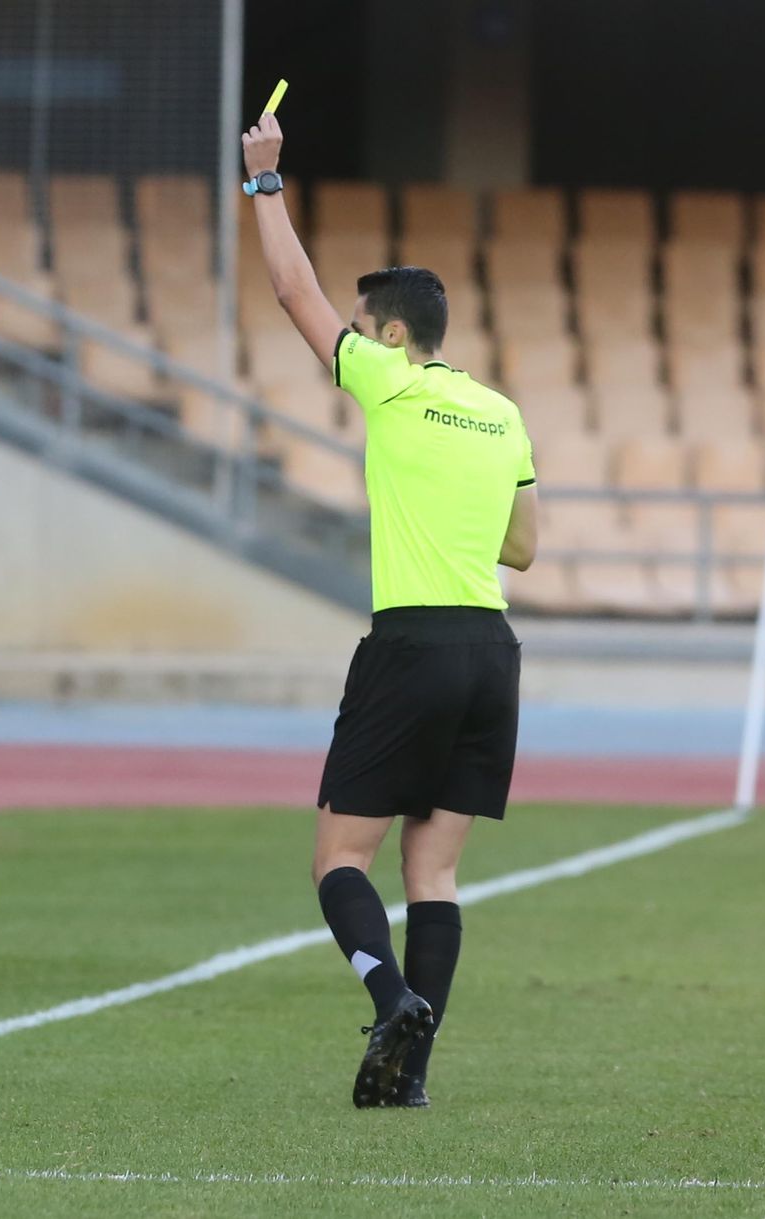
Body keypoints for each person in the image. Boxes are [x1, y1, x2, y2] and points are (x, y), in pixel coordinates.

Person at [242, 113, 538, 1108]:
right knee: (435, 872)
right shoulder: (501, 413)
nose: (357, 339)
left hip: (410, 641)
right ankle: (407, 1076)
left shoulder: (391, 383)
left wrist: (263, 183)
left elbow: (292, 291)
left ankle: (387, 995)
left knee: (337, 856)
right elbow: (524, 546)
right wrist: (456, 512)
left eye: (368, 328)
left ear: (394, 333)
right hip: (491, 649)